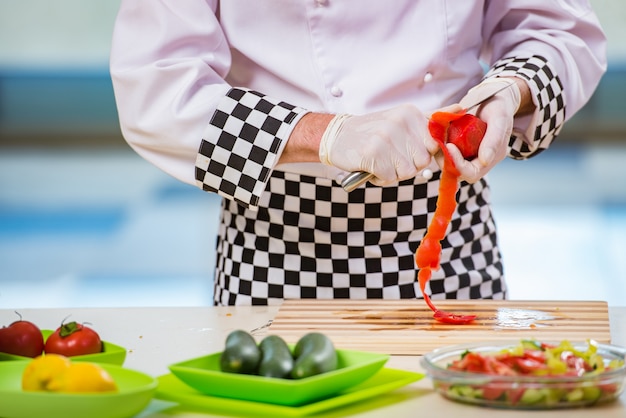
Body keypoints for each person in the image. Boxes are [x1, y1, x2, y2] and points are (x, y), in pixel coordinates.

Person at [110, 1, 606, 306]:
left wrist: (511, 90)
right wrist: (322, 134)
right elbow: (156, 85)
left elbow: (558, 29)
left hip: (450, 238)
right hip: (276, 248)